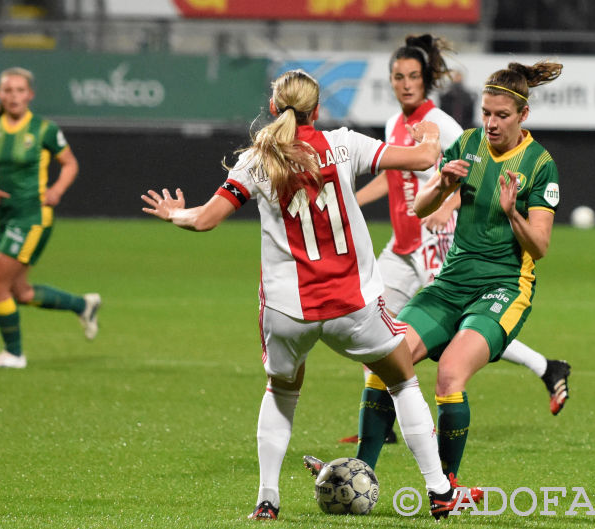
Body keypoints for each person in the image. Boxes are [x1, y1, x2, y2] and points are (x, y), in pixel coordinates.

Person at [141, 69, 463, 521]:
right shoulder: (344, 143)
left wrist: (175, 214)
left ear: (274, 108)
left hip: (288, 309)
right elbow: (425, 156)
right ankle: (438, 489)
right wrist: (428, 131)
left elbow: (205, 220)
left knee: (281, 391)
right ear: (317, 109)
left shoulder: (256, 158)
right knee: (402, 379)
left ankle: (267, 499)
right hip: (351, 303)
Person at [339, 37, 570, 461]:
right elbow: (418, 203)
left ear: (523, 114)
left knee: (448, 375)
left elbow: (539, 247)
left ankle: (447, 487)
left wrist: (511, 213)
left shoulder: (540, 164)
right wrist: (444, 186)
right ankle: (362, 472)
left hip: (502, 287)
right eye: (486, 113)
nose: (492, 123)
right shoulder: (466, 142)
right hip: (451, 280)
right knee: (384, 359)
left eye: (502, 116)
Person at [0, 67, 100, 369]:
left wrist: (57, 190)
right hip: (7, 217)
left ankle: (14, 354)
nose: (14, 96)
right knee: (21, 292)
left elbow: (70, 164)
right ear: (0, 94)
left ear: (30, 94)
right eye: (8, 91)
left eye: (19, 90)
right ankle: (84, 305)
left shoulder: (44, 129)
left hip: (33, 217)